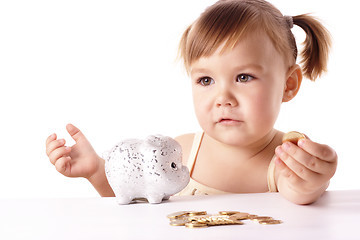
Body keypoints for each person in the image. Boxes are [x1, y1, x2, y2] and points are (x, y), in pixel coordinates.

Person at [45, 0, 337, 205]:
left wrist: (313, 179)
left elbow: (300, 192)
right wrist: (97, 171)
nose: (223, 98)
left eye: (244, 77)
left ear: (288, 84)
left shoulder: (284, 160)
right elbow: (135, 202)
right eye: (206, 81)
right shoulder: (181, 151)